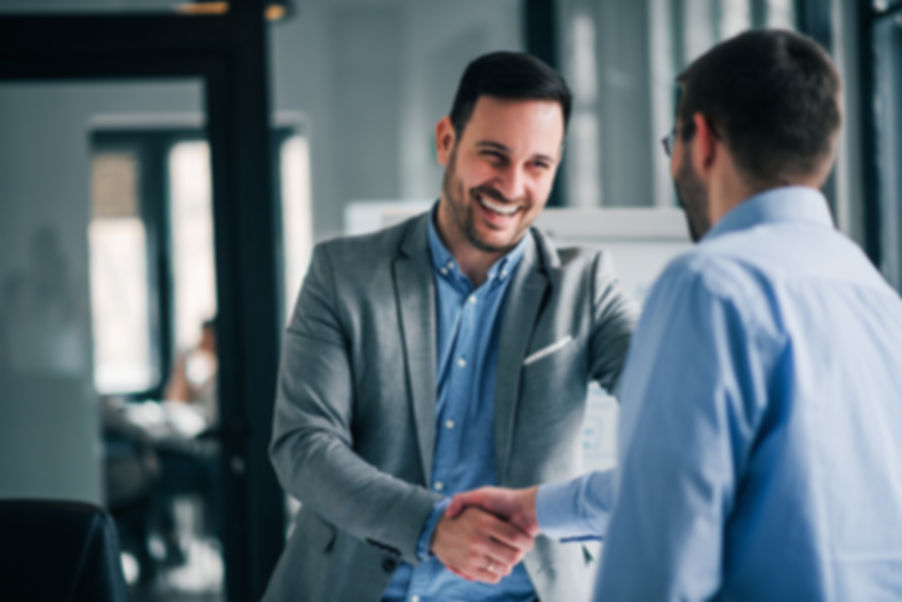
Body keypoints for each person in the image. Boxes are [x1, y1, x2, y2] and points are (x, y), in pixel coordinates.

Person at [448, 29, 902, 600]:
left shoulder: (710, 287)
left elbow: (660, 546)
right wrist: (537, 508)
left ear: (703, 140)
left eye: (673, 142)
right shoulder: (878, 299)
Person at [263, 51, 637, 602]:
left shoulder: (587, 286)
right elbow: (303, 446)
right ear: (446, 141)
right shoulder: (342, 275)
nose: (512, 186)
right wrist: (430, 525)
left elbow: (681, 417)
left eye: (538, 165)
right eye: (494, 155)